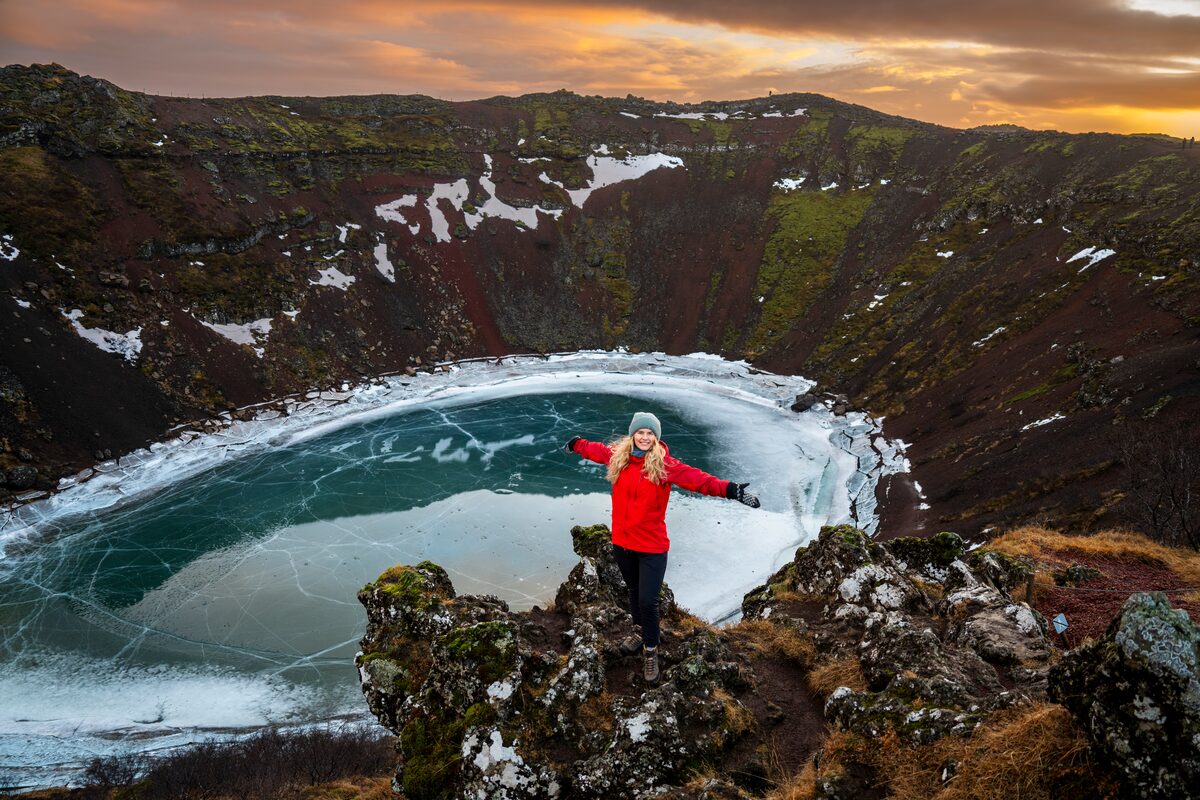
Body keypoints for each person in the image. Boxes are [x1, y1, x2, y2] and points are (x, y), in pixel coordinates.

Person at [564, 411, 760, 683]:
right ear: (633, 435)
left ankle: (651, 650)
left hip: (652, 546)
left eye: (650, 434)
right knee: (633, 592)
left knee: (648, 600)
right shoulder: (619, 457)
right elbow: (597, 451)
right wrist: (577, 445)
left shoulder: (664, 465)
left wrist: (731, 490)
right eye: (641, 433)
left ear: (657, 438)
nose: (645, 437)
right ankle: (637, 631)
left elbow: (699, 479)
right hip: (623, 542)